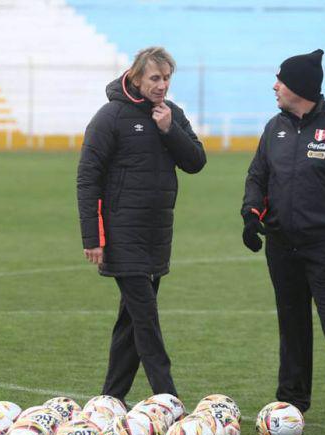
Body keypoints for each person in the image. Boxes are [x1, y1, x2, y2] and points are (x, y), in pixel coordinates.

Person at [240, 49, 325, 435]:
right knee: (292, 325)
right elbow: (257, 177)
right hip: (281, 246)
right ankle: (291, 404)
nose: (274, 86)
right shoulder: (274, 128)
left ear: (298, 87)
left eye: (280, 80)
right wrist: (251, 215)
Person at [77, 47, 206, 405]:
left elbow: (196, 161)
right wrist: (93, 237)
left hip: (156, 234)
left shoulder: (172, 114)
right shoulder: (110, 117)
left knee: (131, 322)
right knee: (146, 320)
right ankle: (169, 399)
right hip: (121, 235)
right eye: (155, 78)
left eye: (166, 78)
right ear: (136, 77)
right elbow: (88, 179)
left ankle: (110, 398)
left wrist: (169, 131)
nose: (162, 85)